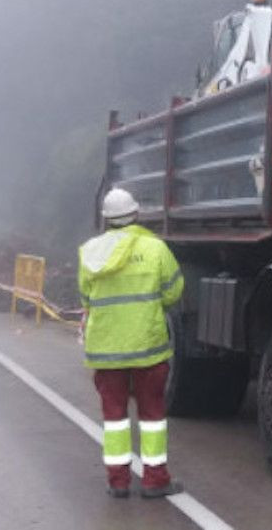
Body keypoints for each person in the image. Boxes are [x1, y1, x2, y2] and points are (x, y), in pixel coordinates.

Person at [78, 187, 184, 499]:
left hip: (106, 351)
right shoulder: (155, 249)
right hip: (147, 349)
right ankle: (154, 481)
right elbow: (174, 291)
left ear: (106, 218)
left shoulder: (89, 251)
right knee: (152, 416)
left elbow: (86, 299)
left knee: (114, 418)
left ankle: (118, 482)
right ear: (135, 215)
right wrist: (150, 307)